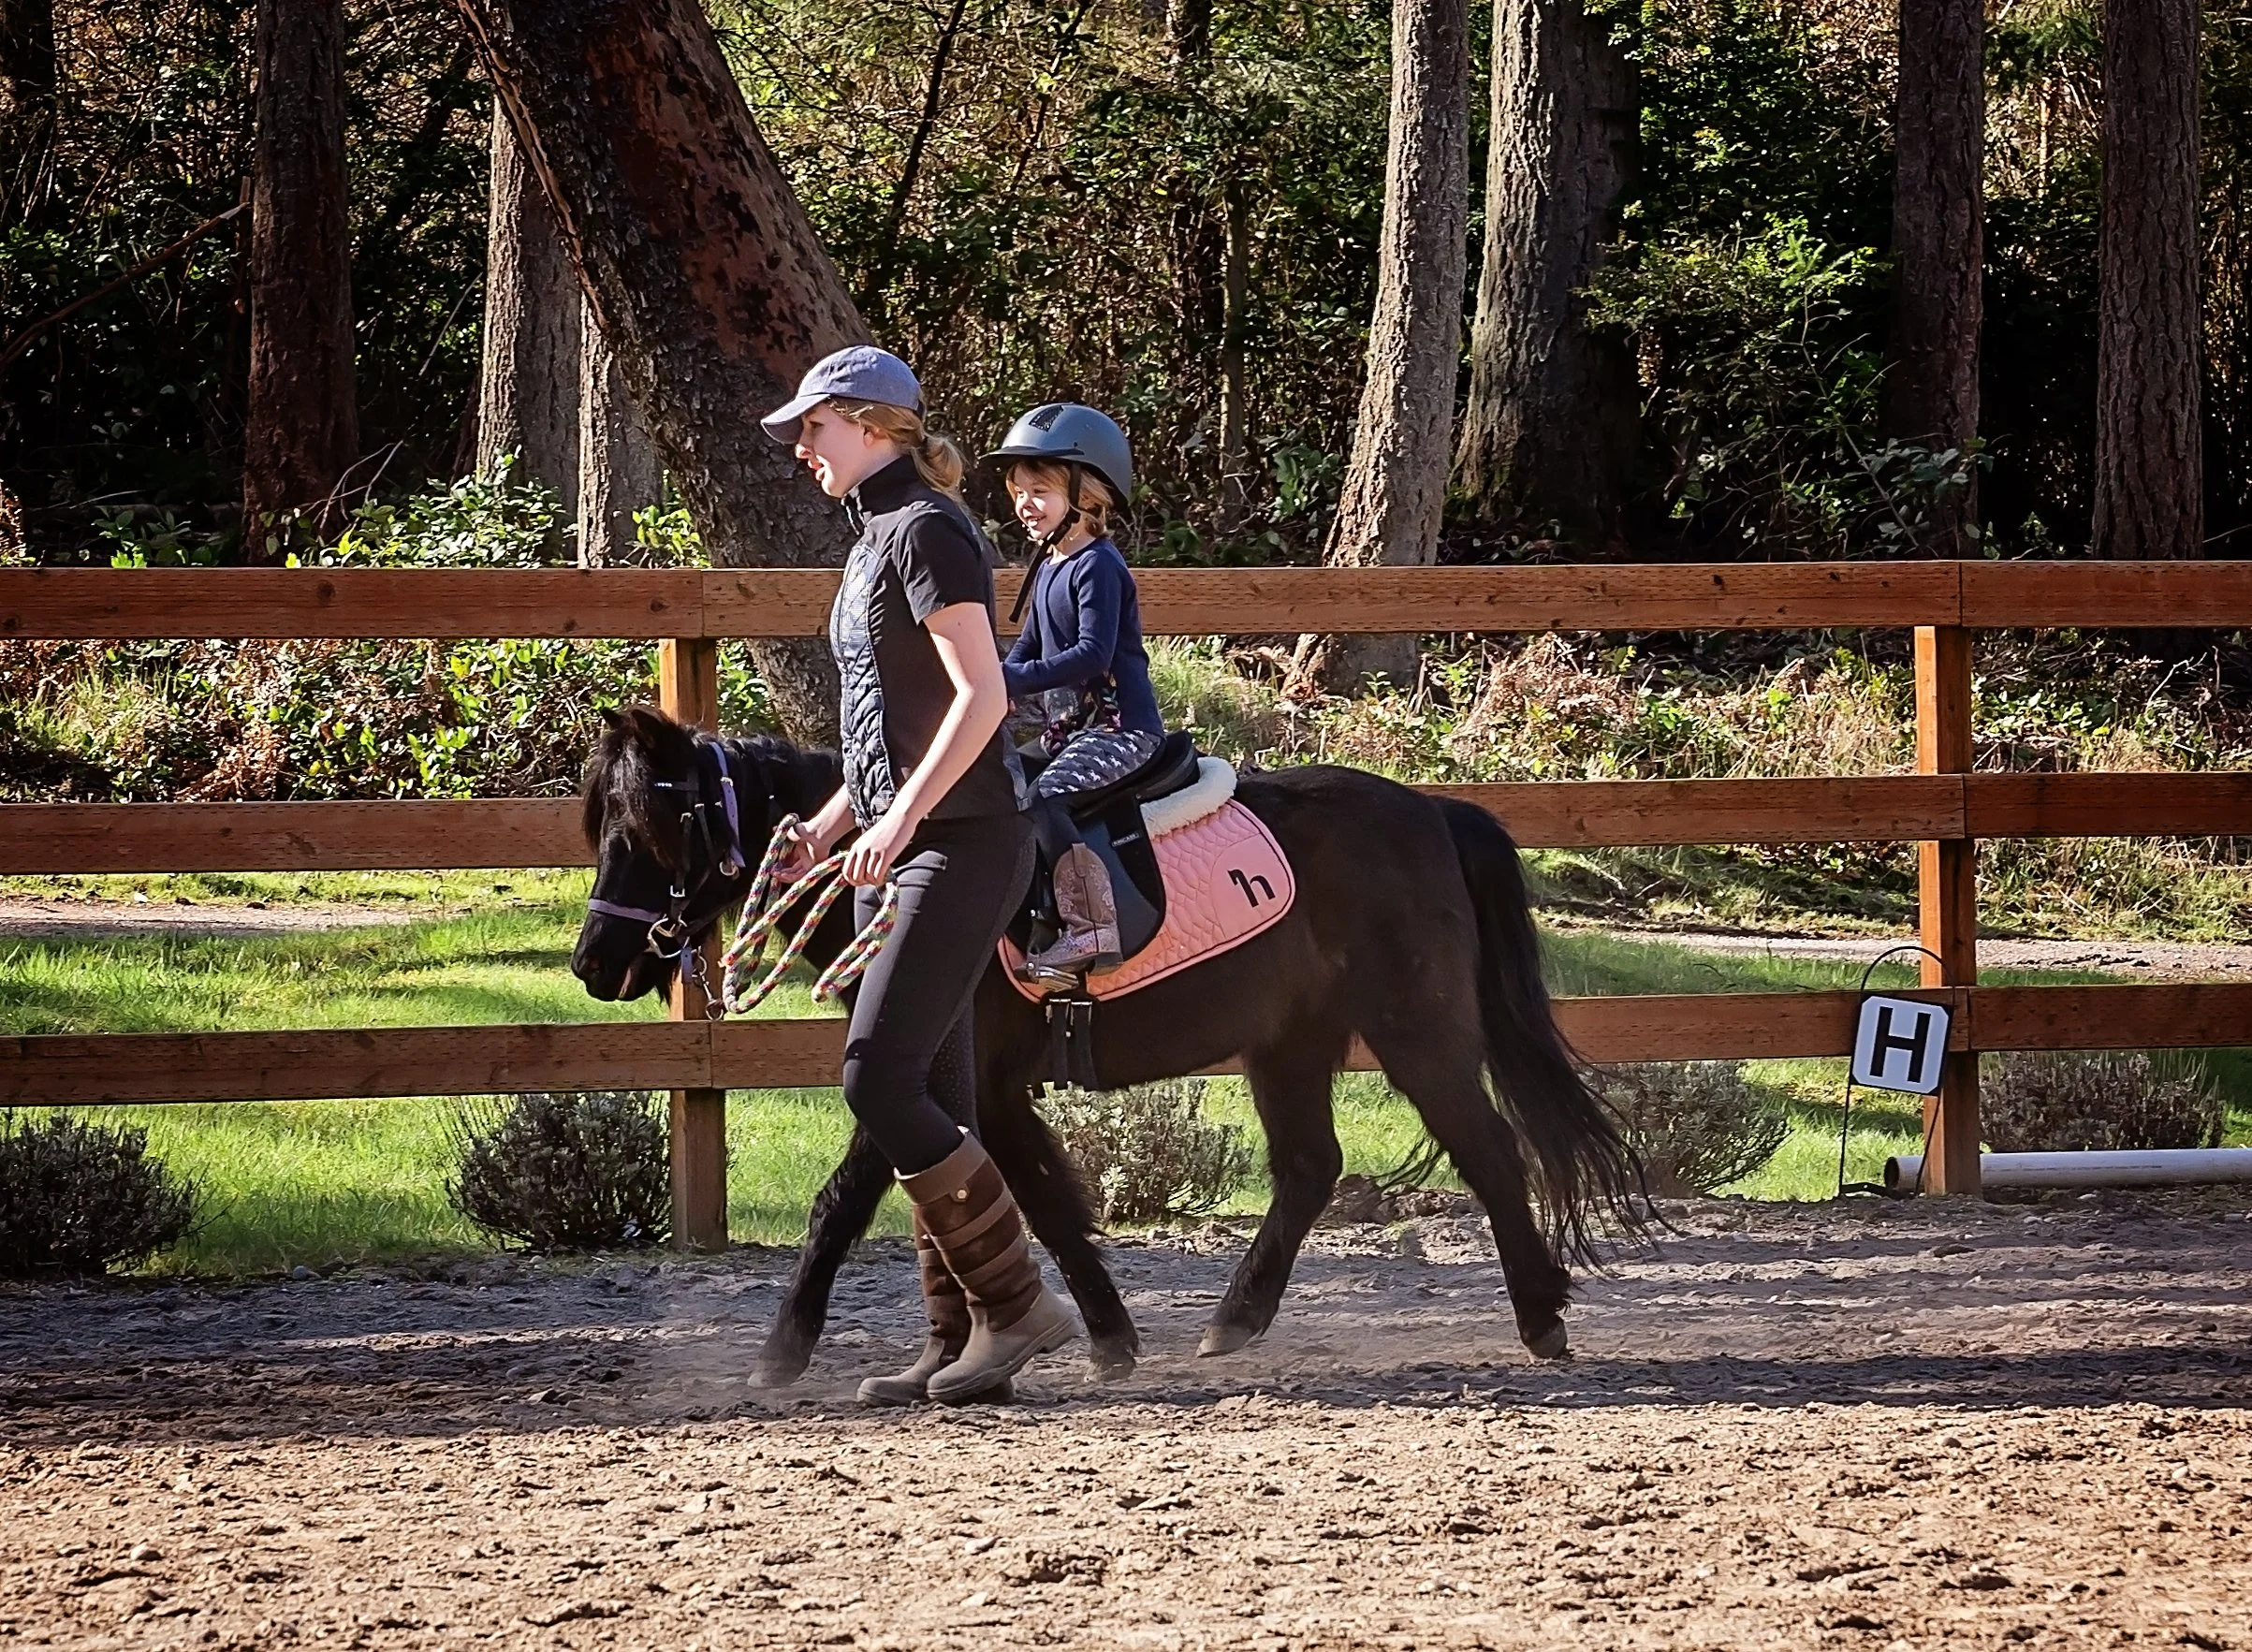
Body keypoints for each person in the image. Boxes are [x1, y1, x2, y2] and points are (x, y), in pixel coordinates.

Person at [760, 344, 1077, 1405]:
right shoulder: (870, 544)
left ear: (874, 424)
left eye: (815, 426)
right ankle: (956, 1340)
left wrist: (896, 817)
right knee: (937, 1092)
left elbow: (981, 699)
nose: (801, 446)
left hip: (967, 840)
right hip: (907, 837)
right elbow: (890, 728)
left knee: (876, 1074)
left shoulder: (928, 530)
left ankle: (1019, 1307)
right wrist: (831, 819)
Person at [988, 403, 1163, 984]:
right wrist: (990, 683)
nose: (1024, 505)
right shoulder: (1049, 567)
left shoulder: (1099, 567)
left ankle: (1091, 925)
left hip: (1119, 730)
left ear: (1086, 495)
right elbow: (1027, 648)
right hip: (1072, 726)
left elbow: (1092, 655)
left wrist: (1011, 681)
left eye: (1038, 490)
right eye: (1017, 492)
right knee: (997, 776)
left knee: (1045, 798)